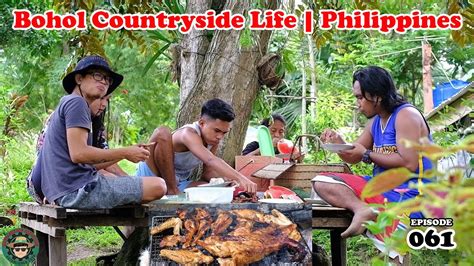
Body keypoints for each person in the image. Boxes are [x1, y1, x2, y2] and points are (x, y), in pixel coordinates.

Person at [312, 66, 432, 238]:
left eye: (360, 97)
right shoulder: (376, 121)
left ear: (376, 96)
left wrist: (367, 154)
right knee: (321, 181)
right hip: (381, 189)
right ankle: (363, 209)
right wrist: (338, 143)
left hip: (412, 196)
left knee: (392, 254)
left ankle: (376, 218)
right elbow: (354, 155)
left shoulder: (406, 115)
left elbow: (409, 162)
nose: (358, 103)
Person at [34, 55, 166, 208]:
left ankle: (134, 229)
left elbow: (85, 164)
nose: (104, 82)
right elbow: (79, 154)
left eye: (107, 79)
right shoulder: (76, 102)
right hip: (76, 191)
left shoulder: (71, 103)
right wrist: (125, 152)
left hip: (70, 188)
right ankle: (135, 228)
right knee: (159, 186)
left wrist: (128, 153)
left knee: (140, 184)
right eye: (97, 75)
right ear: (79, 79)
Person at [136, 98, 258, 195]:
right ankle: (171, 190)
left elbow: (207, 173)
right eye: (216, 131)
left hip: (179, 183)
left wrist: (227, 181)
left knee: (219, 192)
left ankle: (174, 190)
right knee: (163, 132)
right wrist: (241, 178)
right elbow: (210, 160)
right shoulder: (188, 134)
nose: (220, 137)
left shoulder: (213, 140)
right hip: (152, 175)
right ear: (201, 123)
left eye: (224, 133)